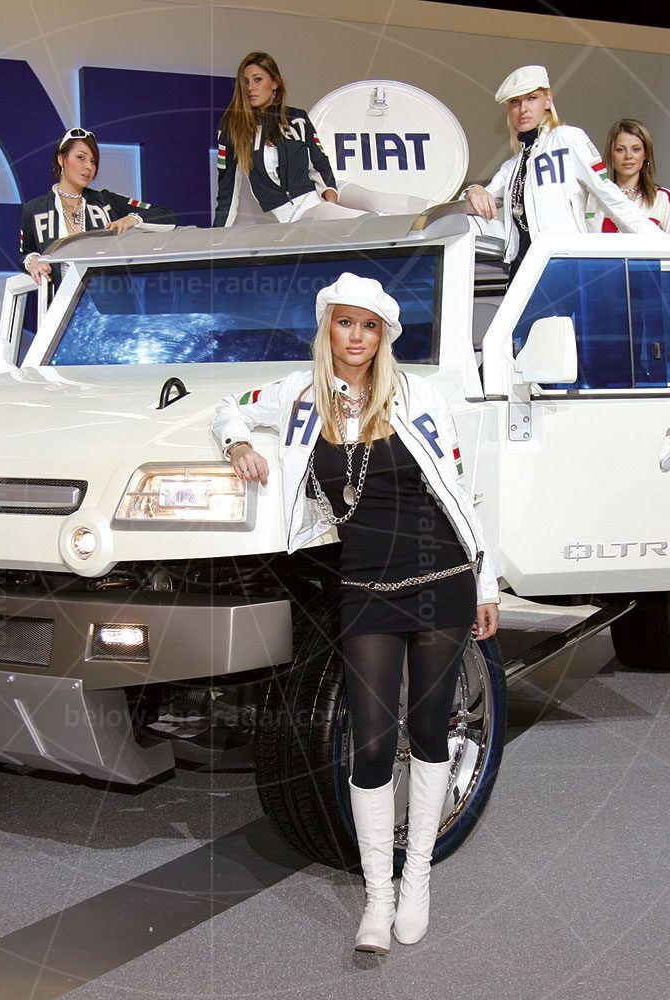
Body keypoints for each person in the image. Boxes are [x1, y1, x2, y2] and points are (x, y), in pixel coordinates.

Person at [212, 273, 501, 955]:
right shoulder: (299, 397)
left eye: (369, 327)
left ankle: (417, 878)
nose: (356, 338)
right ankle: (377, 897)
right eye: (345, 323)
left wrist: (486, 581)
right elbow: (230, 406)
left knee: (430, 733)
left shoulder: (418, 396)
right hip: (366, 584)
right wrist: (238, 444)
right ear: (328, 327)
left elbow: (460, 494)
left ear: (384, 336)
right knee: (370, 744)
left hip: (442, 578)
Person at [462, 65, 658, 276]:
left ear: (548, 100)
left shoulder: (567, 138)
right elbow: (480, 199)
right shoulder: (512, 166)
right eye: (514, 102)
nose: (523, 109)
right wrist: (473, 190)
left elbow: (607, 193)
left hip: (565, 266)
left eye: (532, 98)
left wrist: (663, 244)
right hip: (523, 271)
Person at [213, 52, 368, 227]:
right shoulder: (233, 129)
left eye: (257, 80)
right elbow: (228, 192)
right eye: (245, 82)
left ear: (275, 83)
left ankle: (399, 227)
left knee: (373, 199)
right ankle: (379, 230)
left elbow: (319, 162)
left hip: (321, 194)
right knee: (350, 218)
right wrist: (215, 240)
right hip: (295, 214)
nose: (250, 88)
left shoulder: (297, 118)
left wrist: (330, 191)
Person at [19, 128, 176, 287]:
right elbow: (25, 253)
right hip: (59, 305)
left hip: (106, 303)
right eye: (81, 157)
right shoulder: (34, 209)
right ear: (61, 159)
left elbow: (166, 215)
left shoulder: (106, 201)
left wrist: (132, 219)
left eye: (93, 161)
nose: (88, 166)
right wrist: (32, 261)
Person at [587, 118, 670, 234]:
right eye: (620, 150)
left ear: (645, 154)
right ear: (611, 154)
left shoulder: (662, 197)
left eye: (636, 149)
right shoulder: (595, 198)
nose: (628, 156)